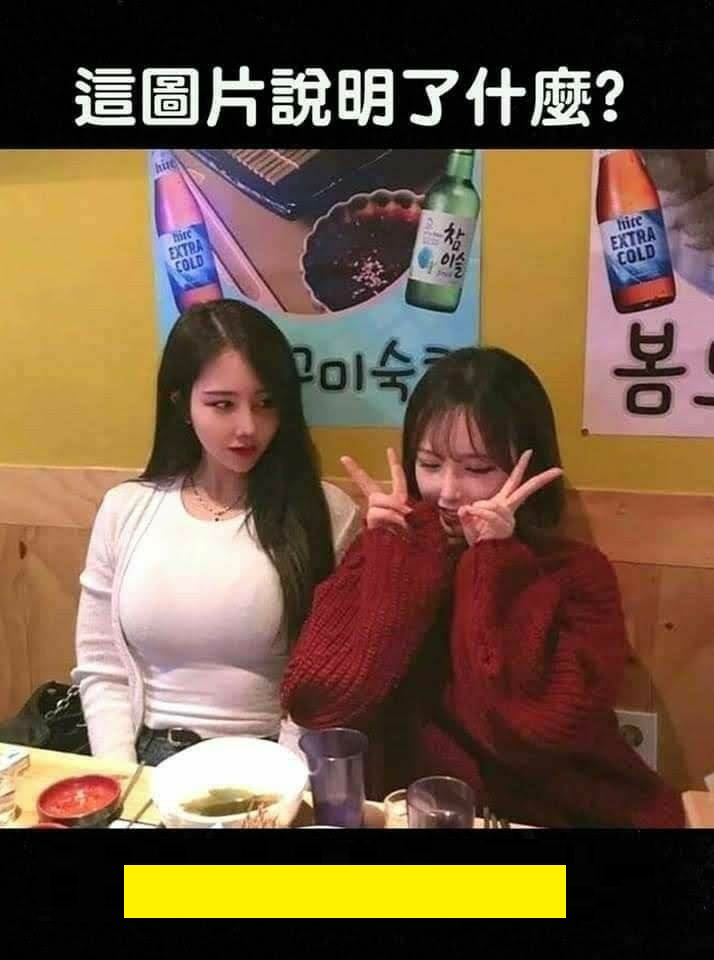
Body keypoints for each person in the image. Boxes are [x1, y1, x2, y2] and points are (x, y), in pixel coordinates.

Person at [281, 346, 685, 827]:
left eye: (477, 469)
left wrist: (493, 562)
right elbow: (317, 701)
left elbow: (533, 729)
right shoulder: (391, 551)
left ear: (527, 468)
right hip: (406, 812)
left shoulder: (576, 573)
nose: (448, 492)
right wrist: (388, 557)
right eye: (430, 464)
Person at [72, 299, 361, 766]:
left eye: (265, 404)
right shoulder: (126, 508)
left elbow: (326, 681)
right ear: (181, 403)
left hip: (270, 758)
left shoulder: (326, 513)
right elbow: (102, 667)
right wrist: (121, 775)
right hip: (145, 756)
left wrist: (285, 778)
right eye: (222, 404)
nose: (248, 427)